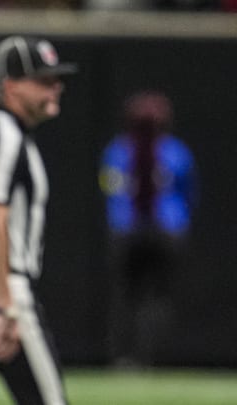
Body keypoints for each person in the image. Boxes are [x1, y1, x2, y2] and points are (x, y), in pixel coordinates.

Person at [0, 36, 76, 405]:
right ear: (9, 86)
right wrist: (6, 305)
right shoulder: (3, 132)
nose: (55, 87)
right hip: (1, 286)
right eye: (42, 80)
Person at [98, 90, 197, 367]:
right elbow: (189, 192)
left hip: (128, 229)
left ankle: (125, 357)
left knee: (127, 296)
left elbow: (107, 187)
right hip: (165, 230)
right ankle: (149, 357)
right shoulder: (175, 151)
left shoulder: (117, 151)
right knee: (156, 297)